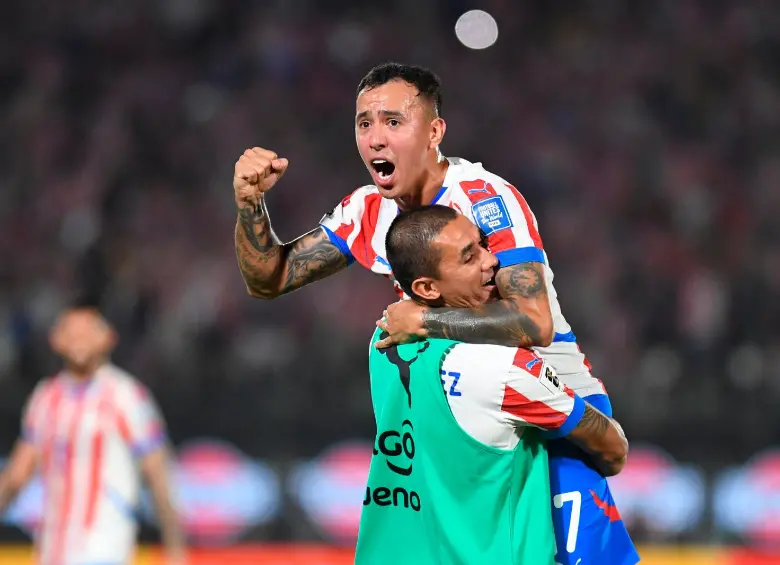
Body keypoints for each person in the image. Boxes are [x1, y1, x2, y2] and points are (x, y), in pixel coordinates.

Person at [232, 62, 638, 564]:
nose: (376, 138)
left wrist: (422, 320)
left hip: (551, 410)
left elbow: (534, 322)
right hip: (463, 423)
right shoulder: (366, 211)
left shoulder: (486, 202)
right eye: (364, 123)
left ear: (434, 131)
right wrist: (250, 204)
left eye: (393, 121)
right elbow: (268, 279)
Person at [356, 205, 628, 565]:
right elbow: (612, 450)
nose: (491, 261)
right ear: (427, 286)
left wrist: (425, 316)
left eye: (483, 245)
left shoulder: (383, 338)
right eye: (469, 258)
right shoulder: (506, 371)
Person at [0, 307, 186, 565]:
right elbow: (18, 474)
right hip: (53, 548)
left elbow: (158, 474)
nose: (78, 339)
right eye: (70, 332)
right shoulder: (45, 398)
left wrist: (175, 546)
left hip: (104, 546)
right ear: (55, 340)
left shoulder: (127, 396)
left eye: (87, 331)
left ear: (108, 338)